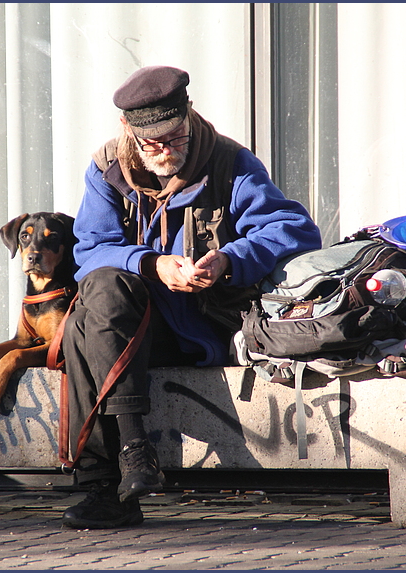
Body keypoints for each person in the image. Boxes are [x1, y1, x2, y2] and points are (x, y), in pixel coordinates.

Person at [61, 65, 322, 529]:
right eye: (153, 143)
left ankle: (105, 485)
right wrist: (151, 265)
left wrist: (229, 260)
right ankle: (133, 449)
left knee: (85, 331)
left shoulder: (229, 162)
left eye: (176, 137)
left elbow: (295, 230)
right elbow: (89, 250)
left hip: (202, 328)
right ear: (128, 129)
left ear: (188, 114)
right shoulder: (106, 169)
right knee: (98, 296)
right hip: (129, 326)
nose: (166, 151)